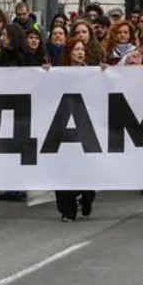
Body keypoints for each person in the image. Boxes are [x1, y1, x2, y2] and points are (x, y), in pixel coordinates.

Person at [55, 36, 98, 222]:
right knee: (63, 168)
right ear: (69, 52)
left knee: (86, 167)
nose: (80, 52)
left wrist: (104, 73)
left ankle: (86, 197)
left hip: (86, 126)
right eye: (76, 49)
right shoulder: (58, 73)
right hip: (62, 126)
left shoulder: (92, 73)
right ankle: (67, 210)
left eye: (82, 49)